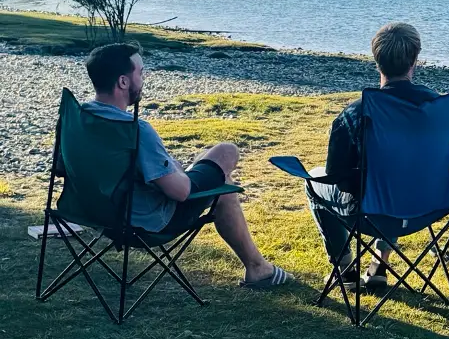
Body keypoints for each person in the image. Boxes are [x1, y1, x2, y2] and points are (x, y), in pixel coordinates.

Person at [82, 43, 292, 289]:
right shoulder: (136, 130)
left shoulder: (77, 119)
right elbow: (180, 193)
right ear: (123, 82)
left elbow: (64, 170)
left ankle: (258, 267)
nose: (144, 78)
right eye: (141, 72)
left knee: (215, 181)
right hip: (144, 222)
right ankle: (257, 268)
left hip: (95, 215)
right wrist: (177, 171)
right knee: (226, 154)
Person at [306, 22, 438, 290]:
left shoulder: (355, 114)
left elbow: (337, 179)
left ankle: (346, 271)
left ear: (377, 60)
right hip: (427, 207)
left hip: (369, 212)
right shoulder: (440, 108)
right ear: (416, 59)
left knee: (314, 179)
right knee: (397, 182)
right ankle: (379, 264)